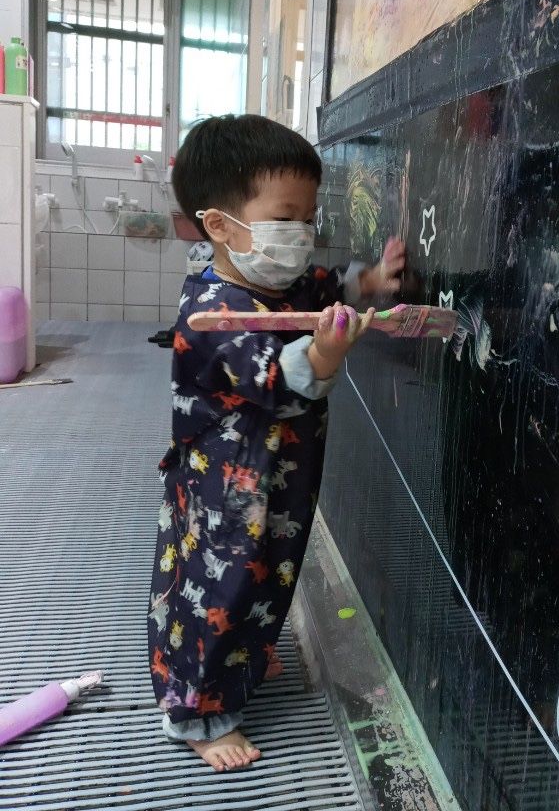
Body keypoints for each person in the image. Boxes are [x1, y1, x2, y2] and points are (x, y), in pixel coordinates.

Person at [147, 114, 405, 772]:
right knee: (220, 589)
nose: (304, 234)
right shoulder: (214, 311)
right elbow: (276, 383)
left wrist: (368, 284)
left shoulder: (273, 283)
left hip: (275, 484)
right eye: (287, 218)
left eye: (309, 216)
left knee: (264, 579)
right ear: (220, 227)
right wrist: (323, 353)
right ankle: (197, 714)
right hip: (227, 490)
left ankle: (241, 658)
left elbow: (318, 286)